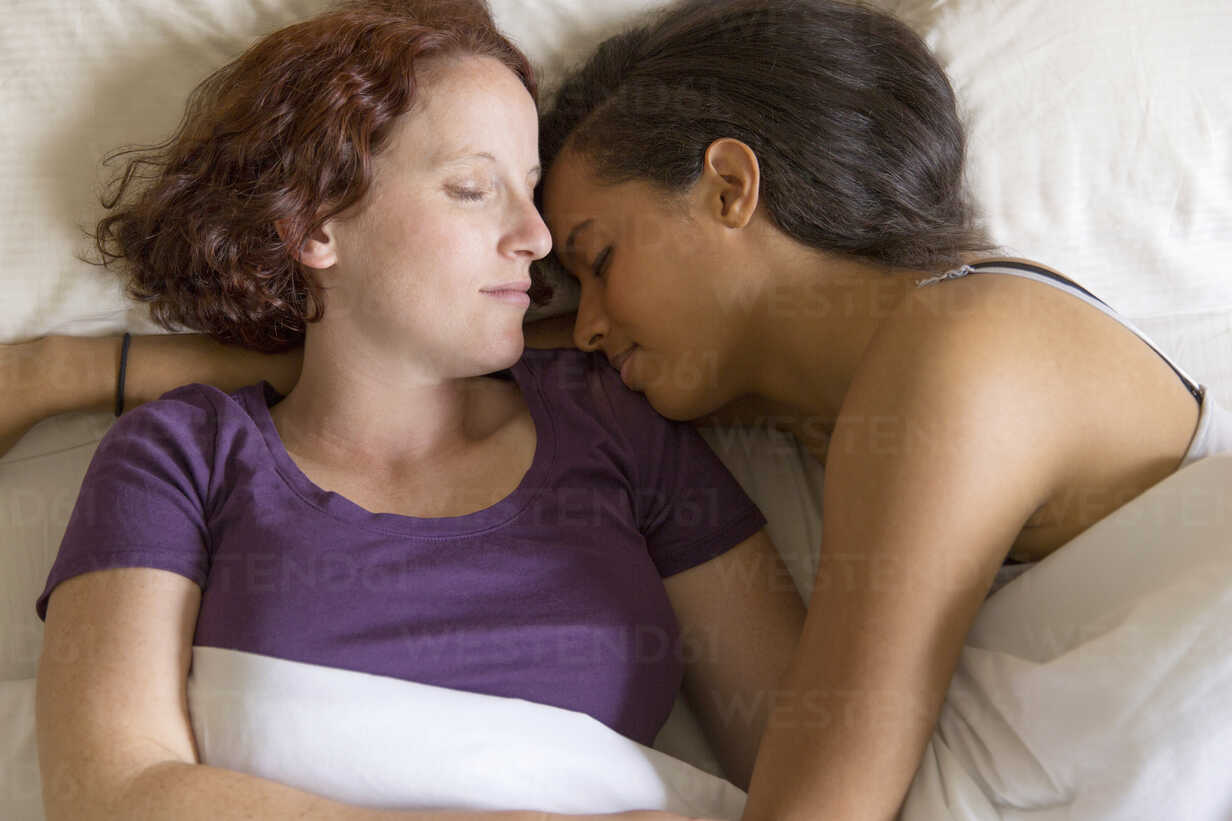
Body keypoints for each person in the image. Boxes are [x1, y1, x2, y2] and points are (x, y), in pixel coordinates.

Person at [9, 0, 1231, 819]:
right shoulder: (874, 384)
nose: (562, 291)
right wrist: (88, 373)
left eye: (583, 248)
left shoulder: (944, 367)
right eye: (483, 197)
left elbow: (813, 797)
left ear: (729, 188)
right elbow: (426, 339)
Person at [23, 3, 807, 821]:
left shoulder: (620, 424)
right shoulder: (179, 457)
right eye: (474, 188)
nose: (537, 237)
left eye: (531, 194)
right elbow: (109, 791)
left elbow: (813, 770)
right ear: (313, 223)